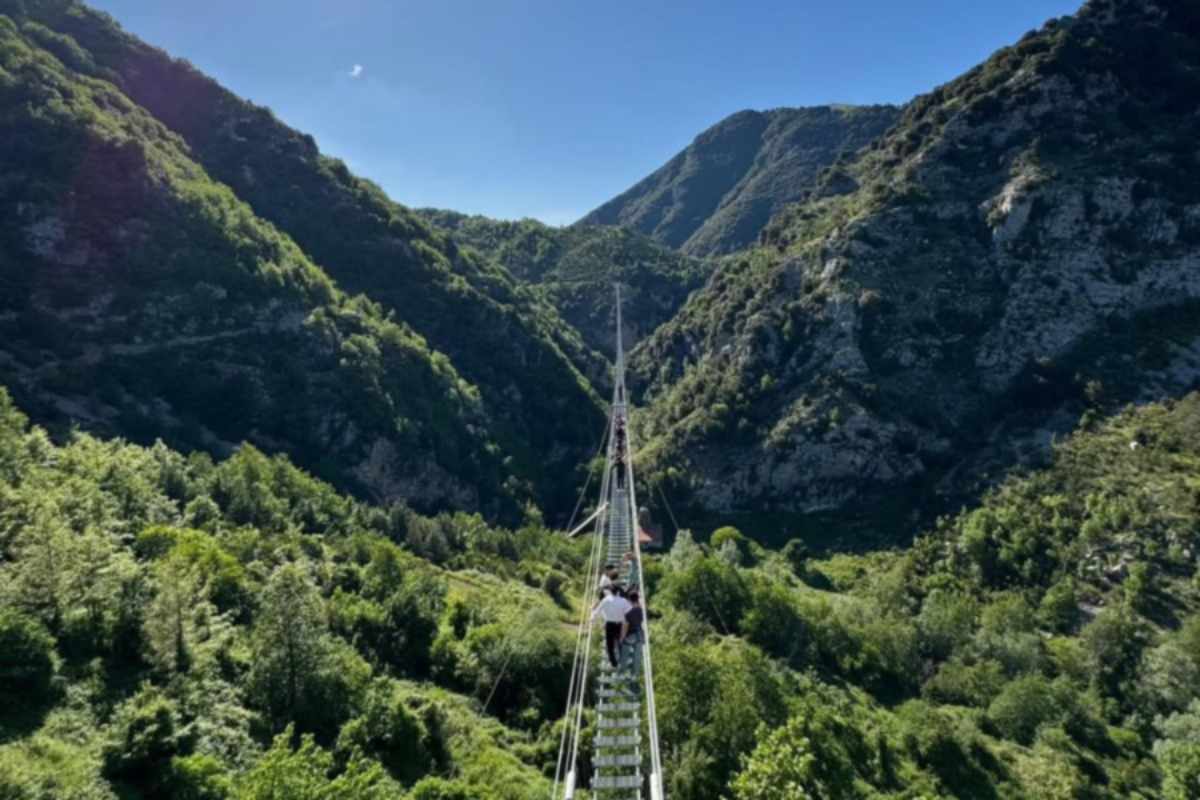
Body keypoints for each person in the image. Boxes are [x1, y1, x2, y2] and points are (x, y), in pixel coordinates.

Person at [592, 588, 632, 669]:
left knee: (610, 645)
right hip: (619, 625)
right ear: (618, 592)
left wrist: (592, 619)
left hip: (609, 624)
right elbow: (630, 611)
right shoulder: (623, 601)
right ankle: (622, 660)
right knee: (620, 642)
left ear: (611, 592)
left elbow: (597, 610)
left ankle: (613, 663)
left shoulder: (606, 600)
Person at [620, 590, 644, 676]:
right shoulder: (641, 609)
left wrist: (622, 638)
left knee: (625, 654)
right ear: (637, 599)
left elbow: (625, 626)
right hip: (640, 635)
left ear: (629, 600)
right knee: (637, 657)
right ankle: (635, 675)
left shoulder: (628, 612)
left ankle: (623, 672)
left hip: (630, 635)